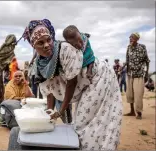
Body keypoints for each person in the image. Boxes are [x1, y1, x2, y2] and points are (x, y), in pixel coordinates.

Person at [8, 19, 123, 150]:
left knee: (85, 122)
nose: (46, 45)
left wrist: (61, 110)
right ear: (34, 46)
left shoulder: (64, 50)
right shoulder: (40, 64)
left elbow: (71, 83)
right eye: (40, 43)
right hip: (86, 85)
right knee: (80, 122)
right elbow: (49, 90)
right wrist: (49, 113)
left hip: (98, 77)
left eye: (48, 40)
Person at [125, 32, 150, 120]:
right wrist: (122, 69)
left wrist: (146, 74)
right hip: (130, 74)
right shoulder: (128, 48)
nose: (130, 39)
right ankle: (132, 111)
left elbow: (147, 60)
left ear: (137, 39)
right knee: (129, 94)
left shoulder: (142, 47)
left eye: (132, 37)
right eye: (130, 37)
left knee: (138, 94)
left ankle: (139, 113)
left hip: (139, 74)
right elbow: (127, 61)